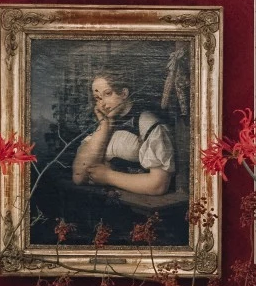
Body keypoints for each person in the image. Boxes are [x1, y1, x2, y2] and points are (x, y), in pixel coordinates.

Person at [70, 68, 176, 202]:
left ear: (124, 93)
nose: (102, 104)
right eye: (98, 98)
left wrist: (108, 176)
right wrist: (104, 126)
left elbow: (159, 185)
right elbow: (79, 176)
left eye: (108, 94)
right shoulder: (106, 124)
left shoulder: (146, 122)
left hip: (144, 206)